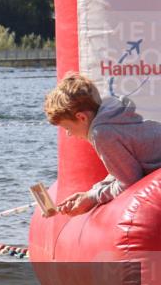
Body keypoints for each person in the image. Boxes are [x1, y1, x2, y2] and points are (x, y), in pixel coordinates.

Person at [43, 72, 161, 215]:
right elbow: (123, 172)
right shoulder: (109, 116)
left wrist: (92, 198)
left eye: (67, 128)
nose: (69, 134)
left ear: (81, 117)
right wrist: (90, 193)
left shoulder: (101, 133)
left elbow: (130, 183)